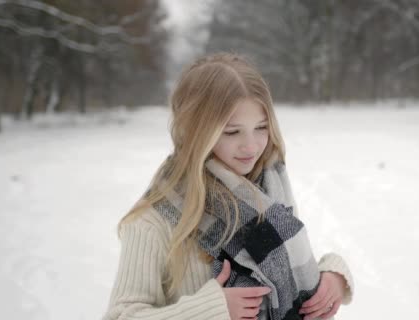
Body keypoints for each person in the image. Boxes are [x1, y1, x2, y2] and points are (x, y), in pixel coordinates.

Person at [101, 53, 354, 320]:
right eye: (232, 132)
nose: (251, 146)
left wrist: (331, 275)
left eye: (261, 127)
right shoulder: (153, 221)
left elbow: (284, 272)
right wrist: (211, 310)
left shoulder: (268, 188)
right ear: (195, 131)